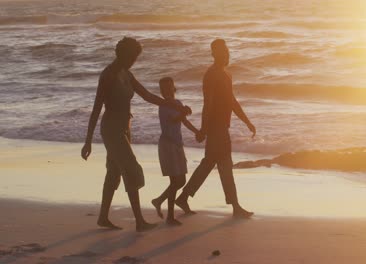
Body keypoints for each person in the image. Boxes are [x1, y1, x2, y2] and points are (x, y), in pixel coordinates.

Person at [80, 37, 191, 232]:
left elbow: (147, 95)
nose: (134, 61)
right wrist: (88, 141)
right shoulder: (108, 75)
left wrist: (171, 103)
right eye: (133, 57)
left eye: (136, 58)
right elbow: (97, 108)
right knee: (132, 170)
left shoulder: (127, 74)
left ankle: (103, 218)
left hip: (124, 128)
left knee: (114, 173)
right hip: (112, 129)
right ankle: (139, 222)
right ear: (123, 54)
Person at [175, 39, 256, 219]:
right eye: (222, 52)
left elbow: (232, 101)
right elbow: (208, 103)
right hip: (215, 127)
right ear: (214, 54)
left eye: (227, 51)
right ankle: (235, 206)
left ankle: (183, 197)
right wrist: (203, 129)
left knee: (208, 163)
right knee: (225, 164)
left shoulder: (226, 74)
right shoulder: (211, 75)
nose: (227, 55)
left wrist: (246, 121)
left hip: (221, 126)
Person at [151, 77, 201, 226]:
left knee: (181, 180)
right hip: (168, 145)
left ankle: (159, 200)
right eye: (163, 89)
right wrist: (184, 112)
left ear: (174, 88)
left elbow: (183, 121)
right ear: (161, 91)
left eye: (169, 87)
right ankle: (170, 217)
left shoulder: (177, 103)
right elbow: (174, 119)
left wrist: (197, 131)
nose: (166, 91)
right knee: (175, 181)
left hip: (177, 145)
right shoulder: (164, 105)